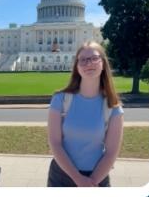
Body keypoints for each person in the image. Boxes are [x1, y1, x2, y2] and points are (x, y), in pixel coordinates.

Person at [47, 42, 124, 187]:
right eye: (83, 60)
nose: (89, 63)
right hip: (61, 176)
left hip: (98, 176)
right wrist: (78, 179)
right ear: (77, 66)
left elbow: (111, 152)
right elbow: (55, 143)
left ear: (103, 63)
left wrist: (91, 182)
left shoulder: (112, 107)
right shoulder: (60, 99)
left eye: (94, 58)